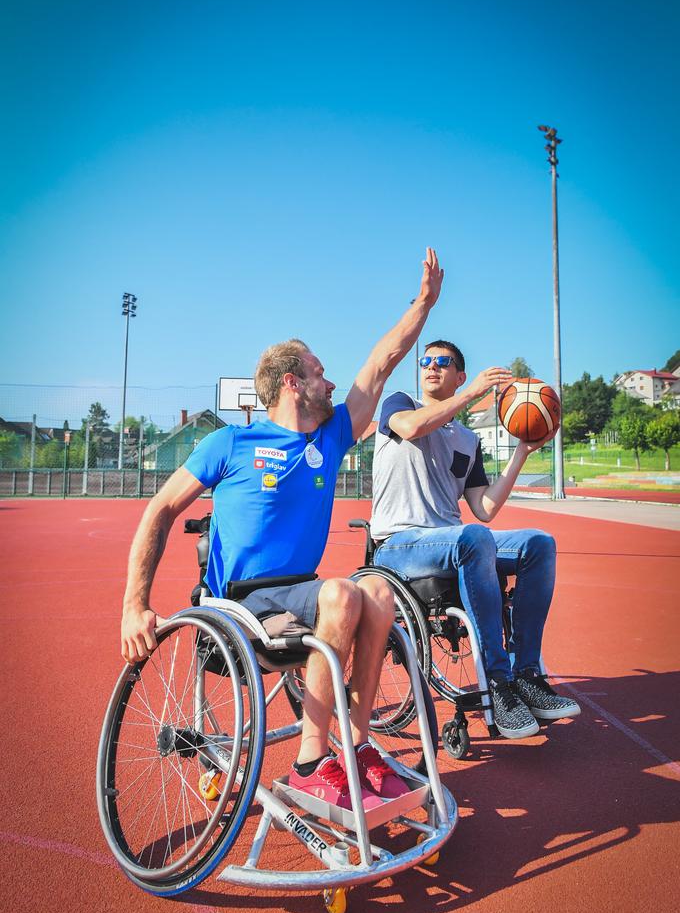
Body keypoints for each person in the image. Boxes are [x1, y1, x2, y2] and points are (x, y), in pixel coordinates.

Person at [120, 248, 444, 809]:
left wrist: (424, 303)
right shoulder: (230, 443)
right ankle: (309, 766)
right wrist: (134, 604)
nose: (333, 380)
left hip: (297, 593)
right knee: (343, 592)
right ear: (293, 383)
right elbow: (160, 511)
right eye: (321, 372)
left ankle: (357, 749)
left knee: (377, 591)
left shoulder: (331, 436)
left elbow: (382, 361)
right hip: (235, 608)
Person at [370, 339, 581, 739]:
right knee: (475, 538)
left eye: (443, 362)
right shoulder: (400, 404)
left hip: (453, 540)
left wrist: (522, 452)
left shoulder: (468, 439)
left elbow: (484, 507)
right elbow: (413, 429)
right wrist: (473, 394)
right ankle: (499, 685)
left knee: (539, 544)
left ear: (459, 374)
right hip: (398, 545)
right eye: (426, 361)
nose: (431, 367)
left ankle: (527, 675)